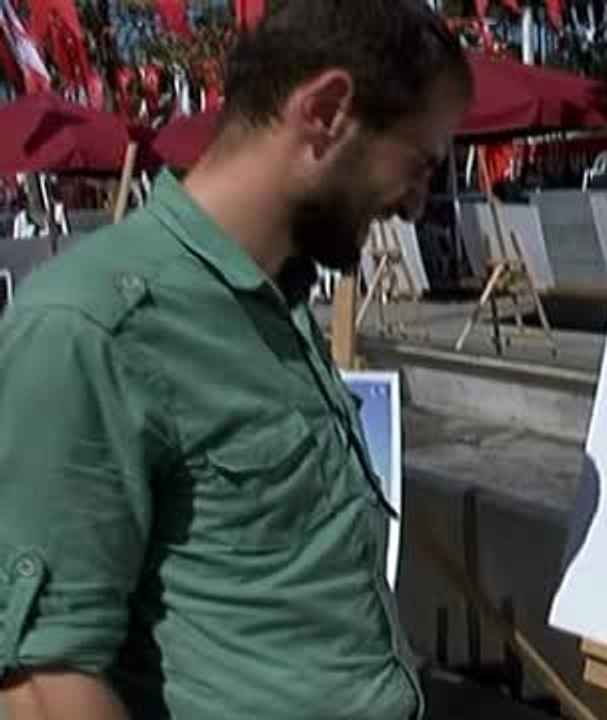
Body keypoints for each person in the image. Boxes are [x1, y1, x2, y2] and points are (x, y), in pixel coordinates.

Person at [0, 2, 472, 719]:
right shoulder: (91, 325)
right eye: (420, 163)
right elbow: (43, 682)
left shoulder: (273, 300)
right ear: (327, 110)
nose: (418, 204)